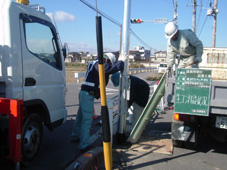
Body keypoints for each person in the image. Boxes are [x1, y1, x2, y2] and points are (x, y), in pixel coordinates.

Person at [71, 53, 126, 152]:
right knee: (87, 120)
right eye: (109, 62)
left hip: (85, 93)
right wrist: (121, 62)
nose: (109, 64)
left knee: (80, 116)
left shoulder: (94, 62)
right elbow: (109, 69)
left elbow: (107, 71)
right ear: (107, 60)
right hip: (88, 94)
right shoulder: (99, 64)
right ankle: (84, 145)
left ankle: (75, 136)